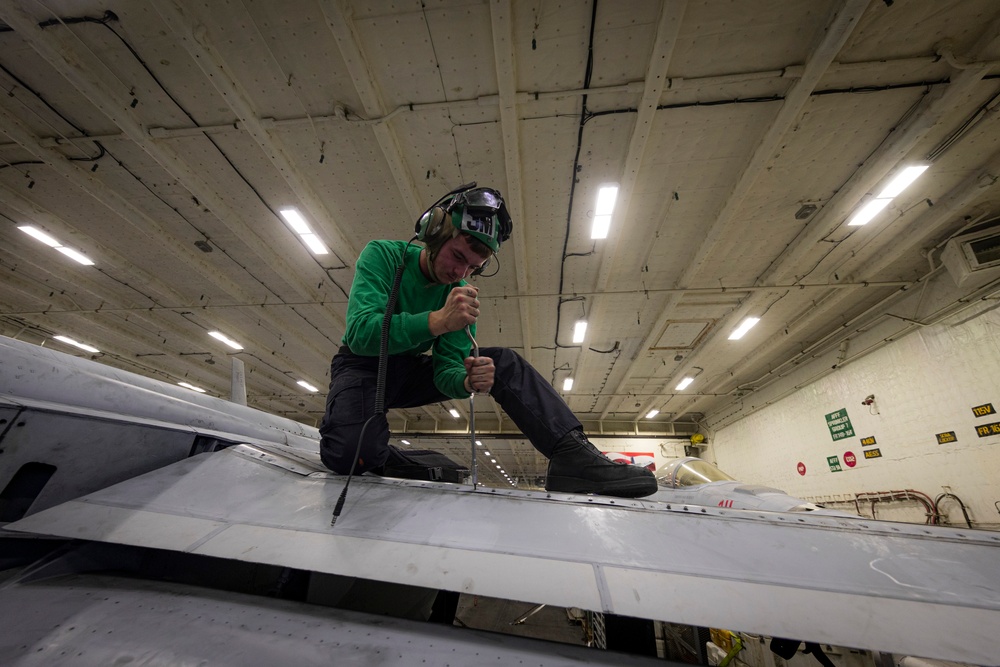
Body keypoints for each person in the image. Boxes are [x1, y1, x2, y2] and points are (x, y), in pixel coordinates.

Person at [318, 184, 657, 498]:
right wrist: (438, 320)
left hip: (407, 369)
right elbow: (362, 334)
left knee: (504, 362)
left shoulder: (459, 295)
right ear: (435, 233)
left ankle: (571, 454)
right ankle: (388, 454)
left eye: (473, 267)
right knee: (349, 457)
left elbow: (445, 371)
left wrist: (466, 379)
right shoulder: (384, 255)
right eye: (458, 256)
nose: (460, 273)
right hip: (361, 366)